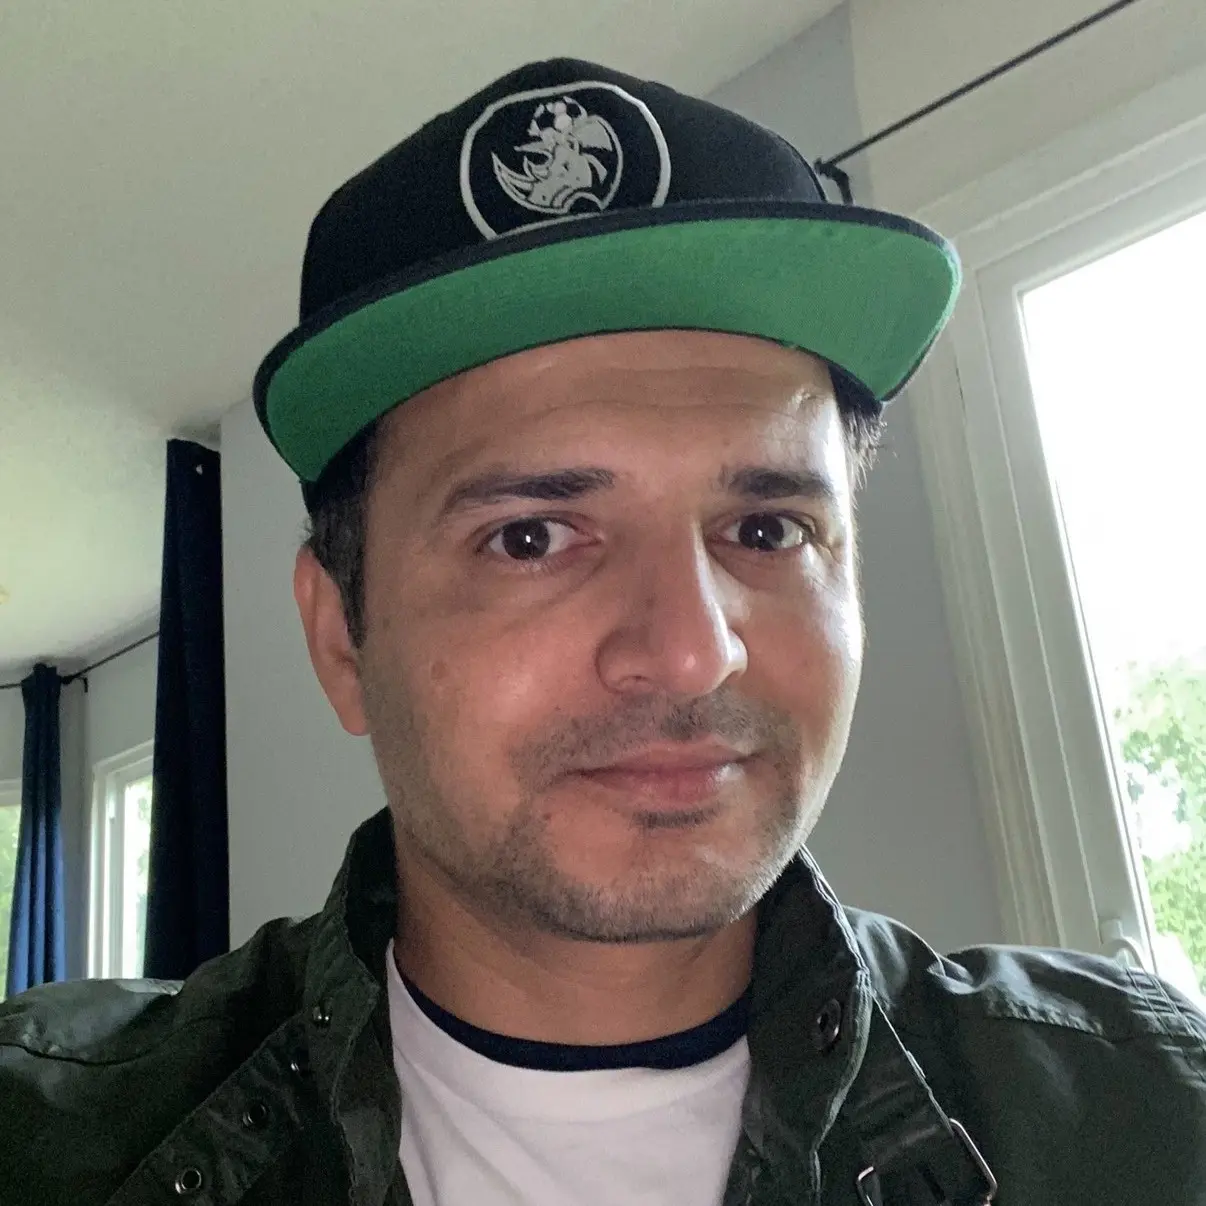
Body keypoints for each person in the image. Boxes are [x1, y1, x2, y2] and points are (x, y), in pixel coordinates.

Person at [2, 57, 1204, 1206]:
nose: (691, 651)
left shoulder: (1149, 1111)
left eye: (768, 530)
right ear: (341, 640)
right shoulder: (46, 1138)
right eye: (530, 537)